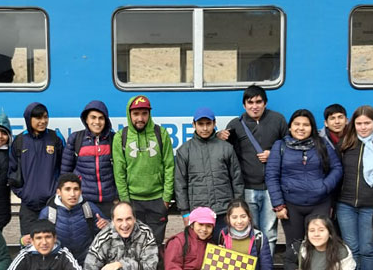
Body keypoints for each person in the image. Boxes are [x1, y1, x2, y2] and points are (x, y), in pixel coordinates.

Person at [217, 85, 287, 255]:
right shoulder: (235, 125)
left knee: (269, 234)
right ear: (244, 105)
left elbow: (290, 146)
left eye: (258, 102)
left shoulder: (278, 120)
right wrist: (218, 137)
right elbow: (225, 154)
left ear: (265, 103)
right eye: (250, 102)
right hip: (247, 188)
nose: (254, 106)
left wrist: (274, 154)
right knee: (249, 233)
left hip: (272, 189)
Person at [266, 109, 342, 249]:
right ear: (290, 127)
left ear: (312, 127)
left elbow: (337, 168)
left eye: (306, 125)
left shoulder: (322, 144)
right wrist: (278, 205)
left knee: (320, 245)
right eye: (297, 124)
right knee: (295, 247)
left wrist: (324, 186)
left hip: (320, 203)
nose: (301, 128)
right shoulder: (280, 146)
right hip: (291, 206)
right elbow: (271, 175)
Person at [335, 105, 373, 270]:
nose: (363, 127)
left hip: (370, 205)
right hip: (346, 203)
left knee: (367, 249)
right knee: (352, 248)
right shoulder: (346, 143)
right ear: (353, 124)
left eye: (367, 123)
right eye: (359, 123)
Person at [112, 95, 174, 245]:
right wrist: (125, 201)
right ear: (129, 114)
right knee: (133, 244)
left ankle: (155, 269)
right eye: (136, 114)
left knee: (155, 244)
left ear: (149, 114)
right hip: (133, 201)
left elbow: (169, 166)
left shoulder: (161, 134)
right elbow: (119, 173)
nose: (140, 118)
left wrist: (166, 198)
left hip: (157, 200)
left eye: (144, 113)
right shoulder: (121, 137)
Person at [175, 107, 243, 240]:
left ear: (214, 123)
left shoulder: (226, 148)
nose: (205, 128)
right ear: (194, 124)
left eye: (208, 124)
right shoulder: (184, 151)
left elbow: (237, 180)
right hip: (198, 214)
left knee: (224, 250)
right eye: (200, 124)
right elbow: (180, 184)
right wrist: (185, 213)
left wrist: (237, 208)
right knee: (199, 252)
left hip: (224, 211)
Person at [9, 102, 64, 243]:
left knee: (52, 244)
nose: (43, 121)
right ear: (28, 119)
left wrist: (58, 191)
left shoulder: (55, 138)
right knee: (29, 245)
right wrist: (24, 193)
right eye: (38, 118)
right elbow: (12, 171)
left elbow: (65, 168)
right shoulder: (20, 141)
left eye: (45, 117)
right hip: (28, 206)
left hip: (52, 204)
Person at [60, 100, 117, 218]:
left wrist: (117, 197)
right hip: (84, 201)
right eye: (93, 117)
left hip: (109, 202)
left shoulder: (114, 139)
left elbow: (121, 171)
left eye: (101, 118)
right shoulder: (76, 139)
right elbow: (66, 172)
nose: (97, 122)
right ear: (86, 119)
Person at [39, 173, 108, 264]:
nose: (72, 194)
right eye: (67, 189)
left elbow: (110, 231)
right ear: (59, 192)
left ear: (81, 191)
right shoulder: (48, 213)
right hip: (59, 264)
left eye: (76, 189)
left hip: (87, 262)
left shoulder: (89, 208)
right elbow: (38, 241)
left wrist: (106, 225)